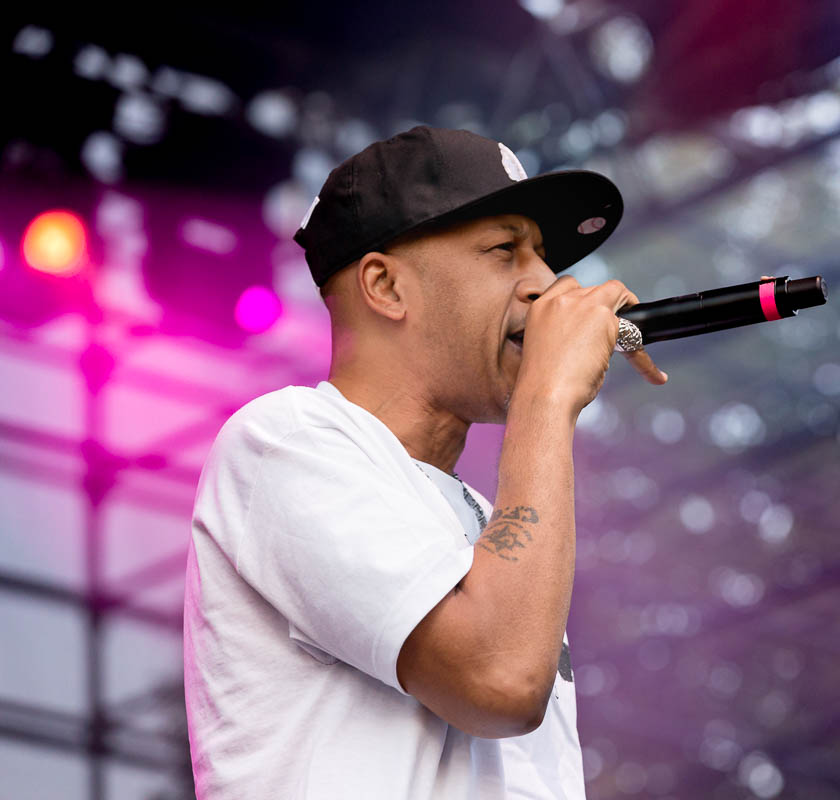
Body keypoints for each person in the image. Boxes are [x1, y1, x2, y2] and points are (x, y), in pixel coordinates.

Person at [182, 125, 668, 799]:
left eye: (544, 256)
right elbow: (501, 679)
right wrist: (548, 398)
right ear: (385, 285)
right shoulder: (283, 441)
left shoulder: (486, 519)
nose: (547, 284)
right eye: (505, 250)